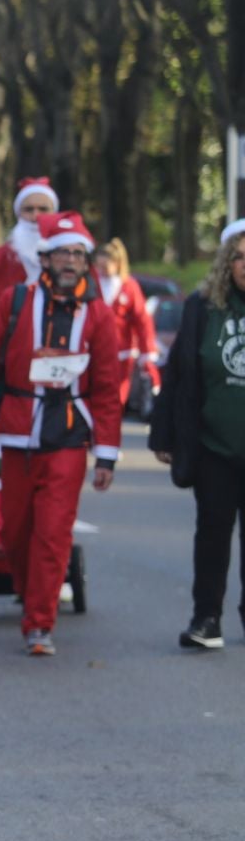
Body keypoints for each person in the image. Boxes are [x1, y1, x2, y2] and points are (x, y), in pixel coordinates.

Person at [0, 212, 121, 656]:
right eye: (63, 253)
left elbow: (107, 389)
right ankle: (32, 596)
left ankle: (39, 623)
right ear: (45, 259)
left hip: (67, 436)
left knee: (53, 533)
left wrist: (106, 455)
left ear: (87, 263)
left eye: (78, 254)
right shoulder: (13, 301)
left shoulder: (100, 317)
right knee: (14, 532)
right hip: (14, 433)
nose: (70, 261)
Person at [149, 217, 245, 649]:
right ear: (226, 263)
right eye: (239, 257)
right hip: (213, 445)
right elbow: (179, 373)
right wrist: (164, 434)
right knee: (212, 533)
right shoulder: (201, 308)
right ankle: (207, 617)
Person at [0, 178, 59, 355]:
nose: (36, 216)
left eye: (43, 209)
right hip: (7, 361)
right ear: (18, 213)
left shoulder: (72, 260)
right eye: (28, 209)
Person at [93, 238, 159, 406]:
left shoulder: (128, 286)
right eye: (99, 267)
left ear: (117, 264)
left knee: (116, 399)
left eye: (105, 267)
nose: (102, 271)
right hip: (93, 350)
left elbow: (142, 320)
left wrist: (147, 354)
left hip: (121, 352)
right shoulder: (90, 283)